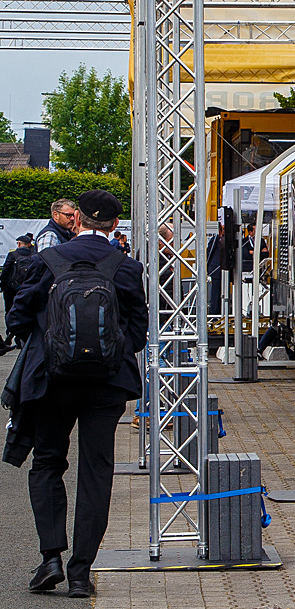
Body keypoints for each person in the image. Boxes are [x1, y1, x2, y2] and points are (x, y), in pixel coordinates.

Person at [7, 190, 147, 597]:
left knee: (48, 463)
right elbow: (138, 329)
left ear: (77, 220)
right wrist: (109, 353)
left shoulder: (47, 260)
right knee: (96, 471)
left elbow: (17, 316)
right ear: (114, 226)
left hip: (52, 382)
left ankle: (50, 557)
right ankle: (81, 572)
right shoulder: (125, 266)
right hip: (107, 385)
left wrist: (52, 345)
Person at [0, 234, 38, 351]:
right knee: (26, 311)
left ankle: (10, 332)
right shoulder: (34, 256)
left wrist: (3, 285)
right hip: (27, 287)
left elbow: (5, 270)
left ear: (19, 244)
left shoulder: (13, 255)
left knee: (9, 310)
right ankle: (21, 338)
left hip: (12, 288)